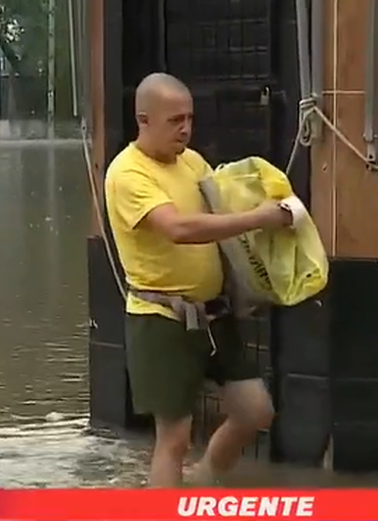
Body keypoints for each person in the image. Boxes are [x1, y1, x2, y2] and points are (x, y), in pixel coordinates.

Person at [104, 72, 303, 487]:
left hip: (214, 315)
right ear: (143, 119)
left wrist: (264, 205)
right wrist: (259, 217)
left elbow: (225, 207)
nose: (186, 129)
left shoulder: (193, 162)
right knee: (174, 438)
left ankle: (204, 479)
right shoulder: (127, 174)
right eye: (175, 120)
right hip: (161, 319)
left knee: (256, 411)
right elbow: (178, 228)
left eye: (189, 118)